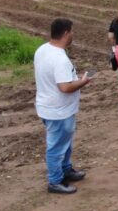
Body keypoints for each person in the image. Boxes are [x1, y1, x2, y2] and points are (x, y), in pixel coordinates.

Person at [34, 18, 91, 194]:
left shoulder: (43, 49)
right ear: (66, 33)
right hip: (58, 110)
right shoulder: (59, 58)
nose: (73, 35)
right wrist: (83, 82)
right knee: (57, 146)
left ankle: (66, 170)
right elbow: (65, 87)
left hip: (49, 106)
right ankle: (55, 181)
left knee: (64, 143)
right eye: (72, 31)